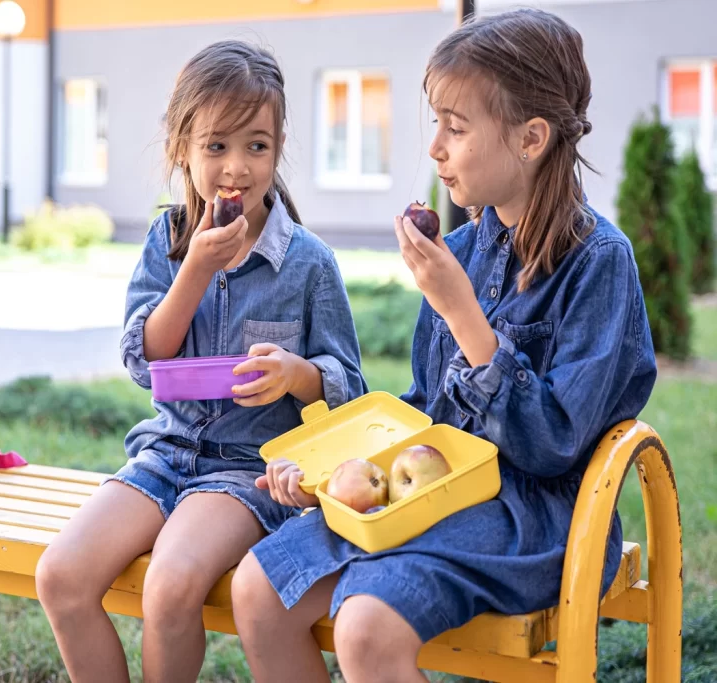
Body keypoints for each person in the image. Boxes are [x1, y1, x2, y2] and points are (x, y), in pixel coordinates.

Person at [231, 9, 658, 682]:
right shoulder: (458, 250)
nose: (434, 148)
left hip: (536, 516)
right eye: (436, 124)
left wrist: (464, 313)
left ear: (532, 139)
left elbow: (554, 444)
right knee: (259, 589)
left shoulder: (598, 262)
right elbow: (425, 413)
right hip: (436, 491)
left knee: (365, 627)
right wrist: (338, 477)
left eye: (455, 129)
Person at [35, 39, 367, 683]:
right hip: (165, 453)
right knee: (61, 576)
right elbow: (143, 359)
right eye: (216, 146)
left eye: (257, 146)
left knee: (169, 586)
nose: (236, 167)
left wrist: (297, 375)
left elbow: (348, 387)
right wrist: (196, 267)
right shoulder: (166, 243)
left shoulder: (307, 263)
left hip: (250, 474)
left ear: (278, 146)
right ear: (181, 148)